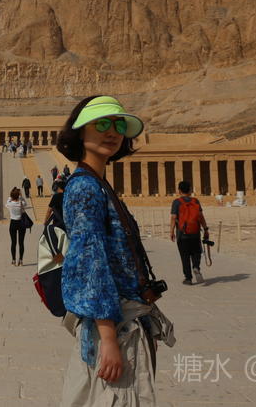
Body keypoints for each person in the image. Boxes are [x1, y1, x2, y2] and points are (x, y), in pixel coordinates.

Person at [58, 95, 173, 406]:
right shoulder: (85, 187)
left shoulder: (99, 184)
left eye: (118, 126)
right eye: (101, 125)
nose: (112, 132)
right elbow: (89, 264)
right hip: (113, 326)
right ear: (80, 131)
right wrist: (108, 339)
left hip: (128, 320)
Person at [170, 181, 209, 285]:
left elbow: (173, 217)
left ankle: (188, 278)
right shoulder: (195, 201)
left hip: (182, 234)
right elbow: (200, 217)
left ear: (179, 190)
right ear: (190, 190)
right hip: (195, 232)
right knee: (196, 252)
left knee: (185, 256)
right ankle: (196, 267)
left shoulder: (176, 202)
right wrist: (205, 229)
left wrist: (171, 232)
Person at [6, 187, 27, 266]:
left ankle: (13, 260)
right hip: (21, 223)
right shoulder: (21, 203)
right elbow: (25, 203)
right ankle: (21, 260)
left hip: (13, 223)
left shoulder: (10, 204)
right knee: (21, 243)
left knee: (13, 242)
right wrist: (21, 196)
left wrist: (12, 195)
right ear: (18, 195)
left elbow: (8, 201)